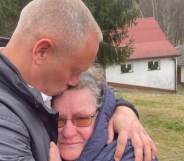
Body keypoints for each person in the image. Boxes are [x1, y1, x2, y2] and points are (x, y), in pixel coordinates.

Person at [0, 0, 156, 161]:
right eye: (75, 71)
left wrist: (121, 109)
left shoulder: (36, 81)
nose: (75, 81)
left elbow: (93, 93)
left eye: (82, 119)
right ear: (41, 52)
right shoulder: (5, 123)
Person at [52, 73, 158, 161]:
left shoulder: (130, 153)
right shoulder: (41, 144)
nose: (68, 133)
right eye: (59, 120)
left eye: (82, 119)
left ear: (100, 116)